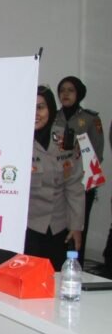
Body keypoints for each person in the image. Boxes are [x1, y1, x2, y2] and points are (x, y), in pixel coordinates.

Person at [27, 86, 84, 269]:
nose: (35, 113)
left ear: (51, 109)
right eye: (30, 107)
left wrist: (76, 226)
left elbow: (74, 186)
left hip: (58, 227)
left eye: (40, 107)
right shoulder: (17, 140)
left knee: (56, 277)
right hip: (28, 226)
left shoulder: (65, 139)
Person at [54, 76, 101, 258]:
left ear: (79, 93)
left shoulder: (90, 119)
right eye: (62, 90)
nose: (65, 94)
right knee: (57, 230)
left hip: (80, 182)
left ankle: (75, 265)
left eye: (70, 90)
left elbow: (96, 153)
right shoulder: (52, 117)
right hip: (57, 182)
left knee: (78, 229)